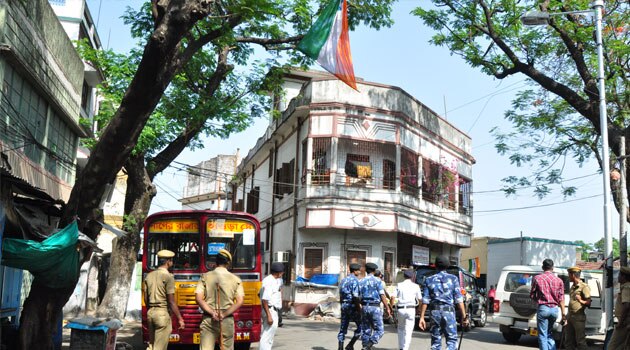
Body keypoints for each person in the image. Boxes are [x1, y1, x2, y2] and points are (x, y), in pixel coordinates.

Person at [195, 249, 244, 350]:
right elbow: (239, 301)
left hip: (209, 319)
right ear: (228, 263)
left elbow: (198, 298)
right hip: (226, 319)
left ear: (215, 262)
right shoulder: (236, 279)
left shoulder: (205, 277)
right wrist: (223, 314)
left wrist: (212, 313)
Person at [418, 255, 469, 350]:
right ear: (447, 266)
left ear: (435, 265)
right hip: (449, 312)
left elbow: (425, 300)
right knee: (451, 341)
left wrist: (421, 317)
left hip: (434, 313)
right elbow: (459, 300)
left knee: (435, 342)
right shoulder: (453, 279)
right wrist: (464, 316)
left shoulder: (429, 279)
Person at [144, 249, 185, 350]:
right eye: (171, 260)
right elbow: (171, 301)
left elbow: (146, 298)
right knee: (159, 347)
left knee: (152, 345)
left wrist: (152, 309)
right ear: (168, 262)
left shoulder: (149, 276)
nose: (172, 262)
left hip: (151, 313)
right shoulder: (168, 277)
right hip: (162, 314)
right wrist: (180, 318)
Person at [530, 258, 565, 350]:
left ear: (543, 267)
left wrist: (538, 300)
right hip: (554, 310)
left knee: (542, 335)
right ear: (552, 268)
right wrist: (563, 314)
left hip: (543, 308)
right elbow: (561, 298)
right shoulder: (559, 281)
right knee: (549, 333)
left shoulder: (537, 278)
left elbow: (532, 294)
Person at [359, 262, 392, 350]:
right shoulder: (378, 281)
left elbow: (358, 296)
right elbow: (382, 295)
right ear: (374, 271)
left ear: (366, 270)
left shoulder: (361, 281)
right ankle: (368, 346)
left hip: (364, 306)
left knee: (366, 330)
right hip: (375, 307)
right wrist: (387, 308)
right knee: (380, 330)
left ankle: (365, 346)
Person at [564, 266, 591, 350]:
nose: (568, 276)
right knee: (568, 341)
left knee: (580, 342)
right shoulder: (572, 286)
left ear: (573, 275)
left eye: (569, 274)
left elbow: (588, 303)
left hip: (578, 316)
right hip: (570, 316)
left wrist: (581, 300)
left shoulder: (584, 286)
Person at [259, 262, 285, 350]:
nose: (283, 273)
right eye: (282, 272)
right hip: (269, 310)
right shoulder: (268, 281)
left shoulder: (277, 280)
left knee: (270, 336)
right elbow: (264, 299)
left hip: (274, 310)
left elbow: (259, 294)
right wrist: (269, 315)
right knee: (267, 336)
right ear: (278, 272)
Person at [337, 263, 362, 350]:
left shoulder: (343, 280)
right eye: (358, 270)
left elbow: (340, 295)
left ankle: (340, 348)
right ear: (355, 271)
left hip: (344, 305)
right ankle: (350, 345)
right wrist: (359, 309)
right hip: (352, 306)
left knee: (343, 327)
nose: (359, 272)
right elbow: (355, 296)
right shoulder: (355, 280)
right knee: (361, 327)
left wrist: (342, 306)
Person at [395, 269, 421, 350]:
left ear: (403, 276)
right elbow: (420, 300)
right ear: (412, 277)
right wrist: (419, 310)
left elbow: (393, 297)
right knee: (408, 331)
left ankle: (401, 347)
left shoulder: (399, 285)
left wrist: (392, 307)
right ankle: (405, 348)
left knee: (400, 329)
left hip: (401, 309)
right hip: (411, 309)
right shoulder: (416, 286)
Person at [608, 266, 630, 349]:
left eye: (620, 275)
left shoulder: (626, 287)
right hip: (626, 322)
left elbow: (626, 305)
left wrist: (620, 323)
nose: (618, 277)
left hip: (624, 323)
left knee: (612, 347)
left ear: (624, 277)